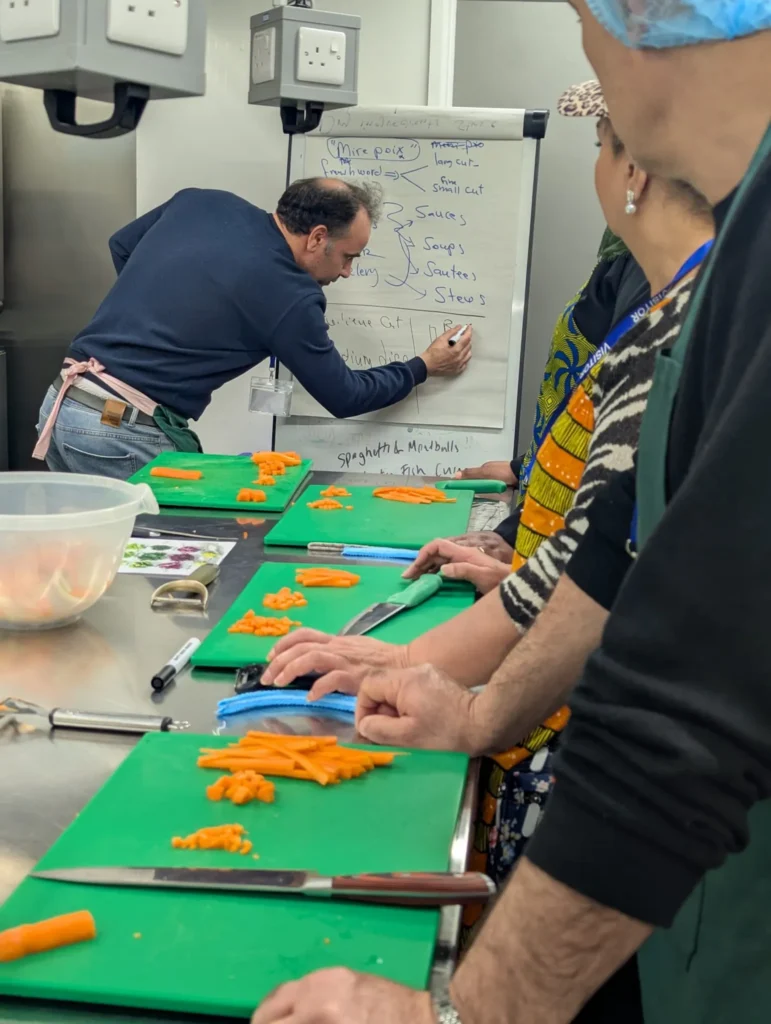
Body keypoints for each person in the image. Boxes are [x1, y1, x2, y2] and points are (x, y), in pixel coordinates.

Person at [252, 1, 771, 1022]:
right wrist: (474, 702)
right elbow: (619, 556)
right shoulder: (741, 245)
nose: (586, 49)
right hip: (679, 922)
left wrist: (458, 1013)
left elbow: (694, 690)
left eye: (584, 15)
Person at [33, 178, 471, 479]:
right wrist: (423, 365)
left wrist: (172, 313)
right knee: (168, 563)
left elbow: (122, 245)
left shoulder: (202, 201)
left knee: (101, 563)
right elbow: (345, 395)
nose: (348, 272)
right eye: (348, 257)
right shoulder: (290, 295)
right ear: (317, 237)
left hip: (62, 405)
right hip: (120, 431)